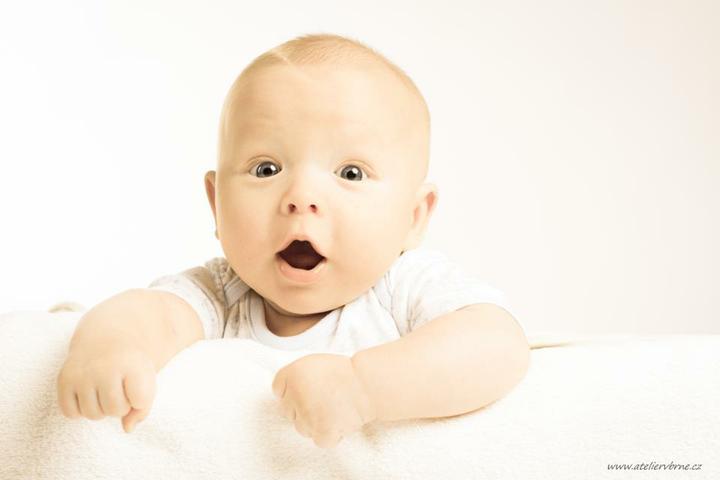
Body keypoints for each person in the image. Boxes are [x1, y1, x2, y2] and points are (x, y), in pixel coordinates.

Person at [57, 33, 530, 449]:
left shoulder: (404, 288)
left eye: (351, 173)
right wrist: (109, 349)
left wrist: (363, 388)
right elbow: (148, 314)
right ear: (216, 203)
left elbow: (497, 345)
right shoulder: (220, 294)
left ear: (413, 217)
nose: (301, 197)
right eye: (266, 169)